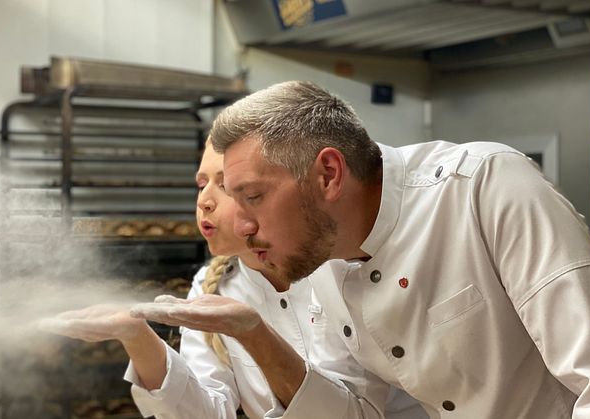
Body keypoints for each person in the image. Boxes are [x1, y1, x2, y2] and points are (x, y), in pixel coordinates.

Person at [131, 81, 590, 418]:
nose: (240, 226)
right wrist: (257, 335)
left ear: (328, 174)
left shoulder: (485, 187)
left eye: (254, 197)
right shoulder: (327, 257)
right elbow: (357, 411)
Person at [40, 139, 427, 419]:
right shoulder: (213, 284)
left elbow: (351, 414)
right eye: (200, 183)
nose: (204, 201)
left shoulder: (335, 265)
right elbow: (206, 413)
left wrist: (252, 332)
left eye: (224, 185)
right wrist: (136, 336)